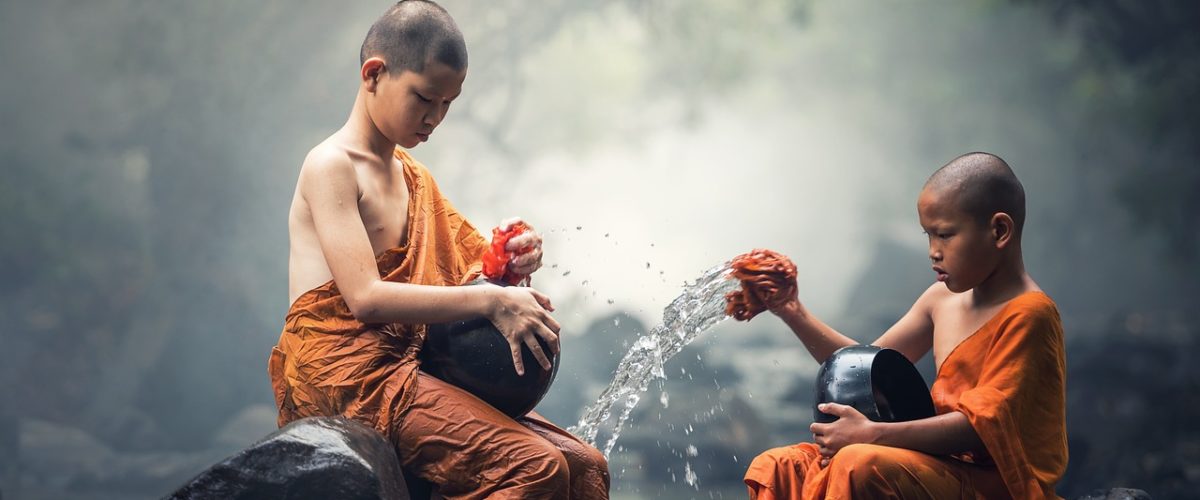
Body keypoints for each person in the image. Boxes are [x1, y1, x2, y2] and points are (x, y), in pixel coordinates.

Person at [267, 2, 609, 498]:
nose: (436, 117)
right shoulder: (330, 166)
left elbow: (471, 270)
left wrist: (510, 264)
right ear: (374, 74)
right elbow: (364, 297)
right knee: (533, 469)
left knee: (584, 466)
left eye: (448, 104)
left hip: (413, 364)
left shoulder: (413, 176)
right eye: (425, 98)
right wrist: (493, 299)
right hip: (351, 376)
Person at [738, 152, 1067, 499]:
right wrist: (792, 311)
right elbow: (860, 369)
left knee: (857, 462)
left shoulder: (1030, 314)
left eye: (945, 235)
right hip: (939, 466)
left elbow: (979, 428)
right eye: (928, 235)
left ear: (999, 230)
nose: (933, 252)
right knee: (778, 464)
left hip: (997, 484)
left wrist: (872, 434)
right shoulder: (940, 300)